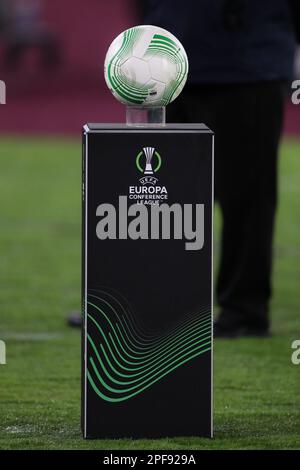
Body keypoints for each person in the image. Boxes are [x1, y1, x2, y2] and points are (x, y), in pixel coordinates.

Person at [141, 0, 298, 337]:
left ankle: (244, 311)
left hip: (248, 62)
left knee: (246, 197)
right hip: (169, 59)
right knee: (162, 199)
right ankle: (154, 301)